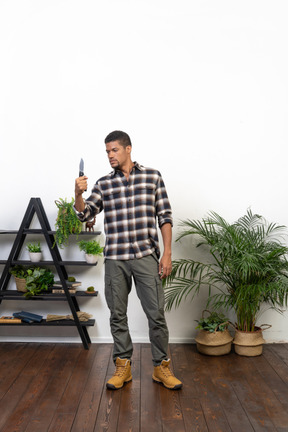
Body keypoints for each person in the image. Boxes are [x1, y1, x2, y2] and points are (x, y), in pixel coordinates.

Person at [74, 130, 182, 390]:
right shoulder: (103, 184)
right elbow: (85, 213)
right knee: (117, 315)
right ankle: (123, 367)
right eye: (107, 151)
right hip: (115, 259)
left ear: (128, 149)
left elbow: (164, 216)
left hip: (146, 256)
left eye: (114, 150)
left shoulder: (152, 177)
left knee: (156, 314)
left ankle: (161, 368)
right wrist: (78, 194)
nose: (110, 155)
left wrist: (166, 253)